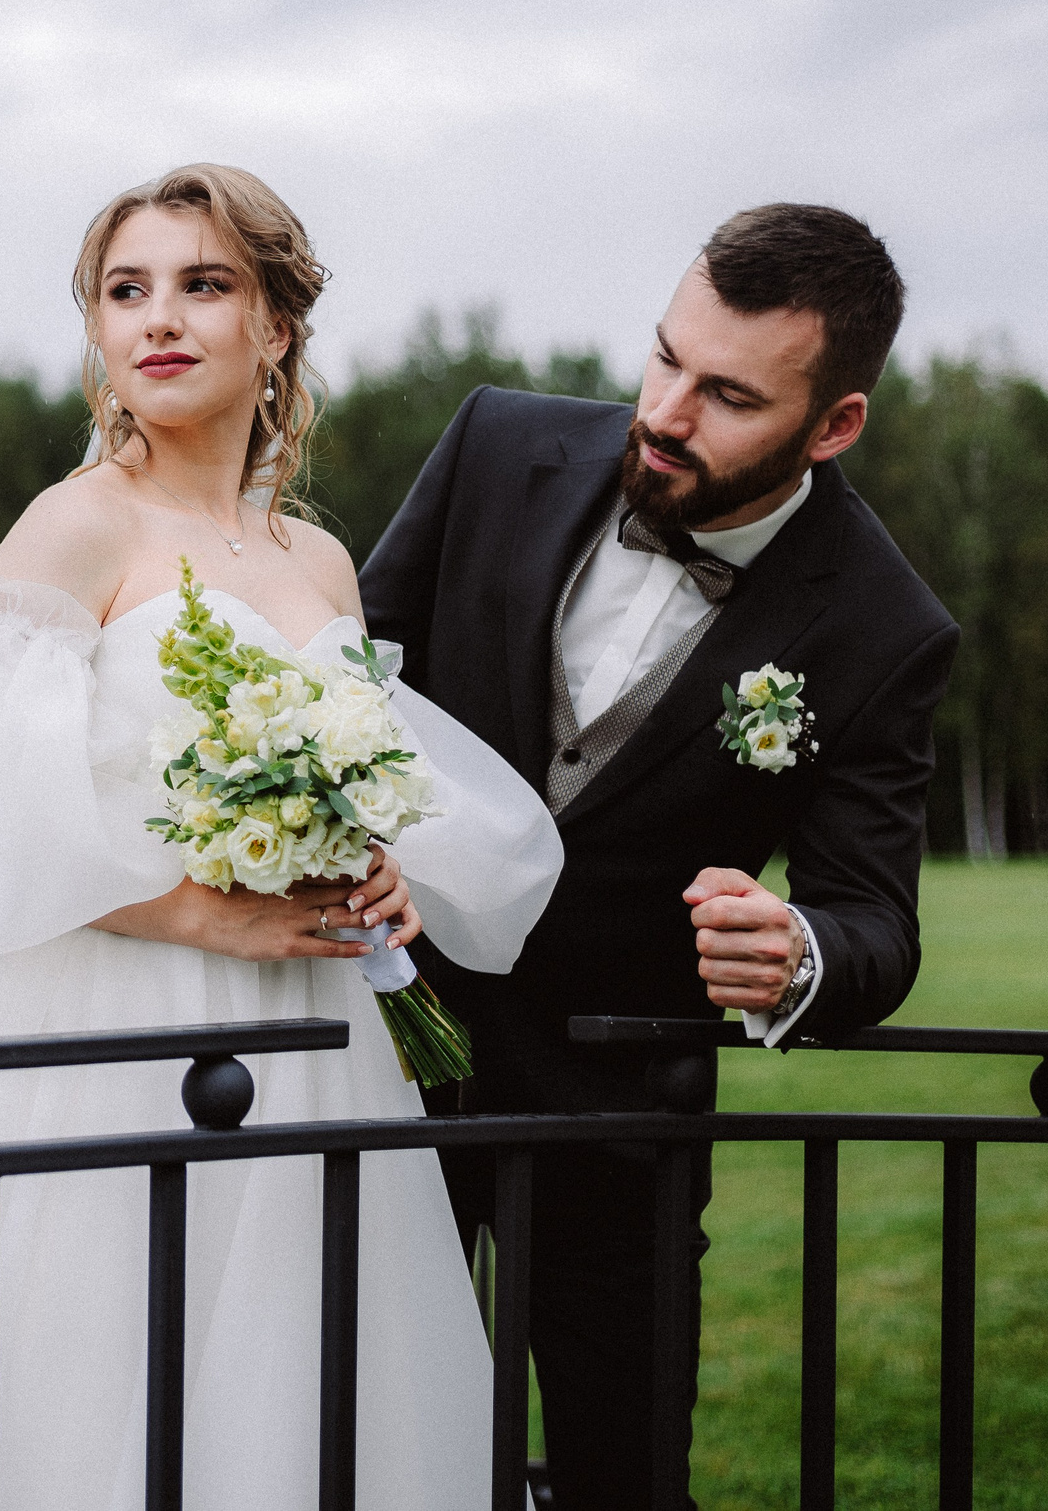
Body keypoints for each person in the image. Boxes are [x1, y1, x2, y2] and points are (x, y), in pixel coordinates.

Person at [0, 164, 563, 1509]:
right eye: (125, 288)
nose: (161, 316)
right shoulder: (80, 522)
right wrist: (189, 908)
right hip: (109, 1028)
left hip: (317, 1041)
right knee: (72, 1378)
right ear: (96, 330)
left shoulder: (316, 561)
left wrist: (375, 856)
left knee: (297, 1386)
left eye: (206, 284)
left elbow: (366, 758)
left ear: (276, 328)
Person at [358, 203, 960, 1510]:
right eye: (664, 358)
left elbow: (875, 923)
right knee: (326, 1450)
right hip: (378, 1071)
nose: (669, 411)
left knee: (622, 1480)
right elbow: (341, 687)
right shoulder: (492, 444)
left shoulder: (882, 625)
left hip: (614, 1121)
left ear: (834, 424)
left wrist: (797, 949)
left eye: (729, 394)